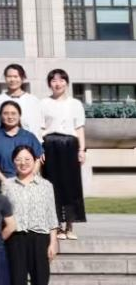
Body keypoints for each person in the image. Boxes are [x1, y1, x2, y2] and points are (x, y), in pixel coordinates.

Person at [4, 145, 59, 285]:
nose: (23, 163)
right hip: (16, 239)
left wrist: (53, 241)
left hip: (40, 238)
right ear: (13, 162)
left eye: (27, 159)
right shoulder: (7, 186)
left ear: (35, 160)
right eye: (19, 159)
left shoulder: (45, 185)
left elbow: (51, 215)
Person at [40, 69, 87, 239]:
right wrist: (40, 149)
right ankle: (57, 226)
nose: (57, 83)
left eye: (61, 80)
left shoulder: (75, 104)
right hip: (50, 145)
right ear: (49, 84)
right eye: (53, 80)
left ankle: (70, 226)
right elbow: (41, 128)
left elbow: (79, 128)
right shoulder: (44, 103)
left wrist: (82, 149)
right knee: (53, 185)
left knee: (71, 185)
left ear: (66, 83)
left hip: (70, 145)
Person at [0, 102, 43, 179]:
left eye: (13, 113)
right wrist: (4, 181)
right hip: (3, 180)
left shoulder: (29, 137)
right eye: (6, 113)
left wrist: (30, 178)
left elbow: (38, 159)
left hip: (27, 180)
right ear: (0, 116)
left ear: (19, 115)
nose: (10, 117)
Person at [0, 64, 43, 141]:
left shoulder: (33, 100)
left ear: (22, 78)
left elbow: (37, 126)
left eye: (16, 76)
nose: (12, 80)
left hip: (28, 142)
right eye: (9, 76)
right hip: (5, 141)